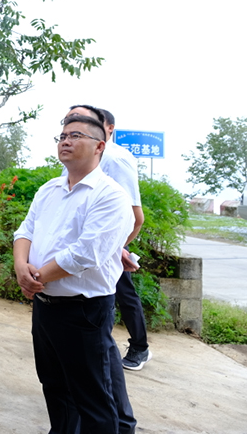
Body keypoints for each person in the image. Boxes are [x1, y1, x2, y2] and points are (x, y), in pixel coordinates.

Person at [14, 113, 137, 434]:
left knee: (93, 399)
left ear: (100, 146)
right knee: (54, 388)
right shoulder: (49, 190)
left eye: (75, 136)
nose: (65, 141)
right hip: (45, 306)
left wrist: (35, 277)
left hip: (84, 311)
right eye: (62, 136)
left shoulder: (110, 196)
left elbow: (85, 253)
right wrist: (21, 268)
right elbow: (25, 231)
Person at [64, 105, 151, 371]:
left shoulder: (115, 159)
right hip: (83, 241)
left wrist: (114, 247)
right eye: (69, 122)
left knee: (121, 293)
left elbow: (135, 215)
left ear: (107, 129)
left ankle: (139, 347)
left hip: (104, 242)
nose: (73, 128)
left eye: (84, 121)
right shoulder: (76, 159)